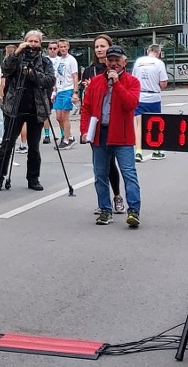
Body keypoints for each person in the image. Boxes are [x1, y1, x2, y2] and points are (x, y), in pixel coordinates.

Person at [80, 45, 142, 228]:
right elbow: (87, 108)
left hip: (122, 135)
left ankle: (133, 211)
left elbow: (131, 104)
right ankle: (105, 209)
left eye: (117, 60)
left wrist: (117, 84)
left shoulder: (132, 82)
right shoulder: (96, 82)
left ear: (124, 61)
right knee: (100, 174)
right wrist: (85, 131)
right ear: (105, 61)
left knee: (128, 173)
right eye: (111, 60)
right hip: (100, 134)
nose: (114, 63)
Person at [0, 30, 56, 192]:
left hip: (37, 109)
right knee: (7, 144)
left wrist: (31, 74)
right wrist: (18, 51)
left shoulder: (45, 62)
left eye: (36, 42)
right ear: (24, 42)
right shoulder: (17, 58)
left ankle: (33, 178)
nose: (33, 45)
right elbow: (6, 69)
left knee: (34, 146)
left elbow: (49, 81)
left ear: (40, 44)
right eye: (30, 41)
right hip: (14, 108)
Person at [81, 34, 125, 215]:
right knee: (100, 165)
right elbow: (86, 97)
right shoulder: (90, 70)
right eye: (97, 46)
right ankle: (103, 202)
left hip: (113, 121)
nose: (99, 49)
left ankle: (117, 195)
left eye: (103, 46)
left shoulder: (116, 67)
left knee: (111, 163)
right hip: (95, 122)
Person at [132, 44, 169, 162]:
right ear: (158, 53)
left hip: (140, 96)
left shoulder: (138, 62)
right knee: (155, 124)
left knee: (139, 125)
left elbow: (133, 79)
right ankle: (156, 150)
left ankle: (138, 152)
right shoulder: (159, 63)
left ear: (148, 51)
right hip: (153, 97)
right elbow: (163, 84)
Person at [53, 39, 79, 149]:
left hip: (68, 89)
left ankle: (67, 139)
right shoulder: (58, 60)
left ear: (68, 47)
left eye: (65, 46)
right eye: (61, 47)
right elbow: (56, 76)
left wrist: (75, 92)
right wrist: (54, 91)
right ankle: (69, 135)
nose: (63, 49)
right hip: (59, 90)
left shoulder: (71, 60)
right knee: (58, 116)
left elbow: (75, 76)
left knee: (65, 115)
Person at [43, 41, 59, 144]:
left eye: (54, 48)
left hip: (61, 88)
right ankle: (47, 135)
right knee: (46, 113)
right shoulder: (44, 60)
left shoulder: (61, 60)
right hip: (48, 88)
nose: (52, 50)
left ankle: (64, 135)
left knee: (60, 114)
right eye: (50, 48)